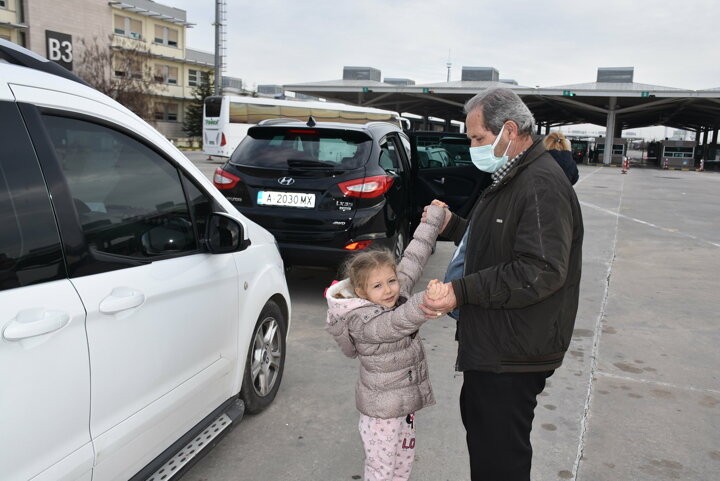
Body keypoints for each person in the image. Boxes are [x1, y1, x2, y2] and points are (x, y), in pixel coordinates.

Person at [421, 87, 584, 481]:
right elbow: (496, 244)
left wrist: (461, 291)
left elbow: (540, 269)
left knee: (499, 462)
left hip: (513, 352)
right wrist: (453, 226)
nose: (473, 146)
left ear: (509, 130)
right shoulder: (512, 175)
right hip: (498, 342)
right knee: (486, 441)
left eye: (478, 138)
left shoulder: (540, 183)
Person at [325, 204, 448, 481]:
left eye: (391, 281)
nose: (390, 289)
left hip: (402, 408)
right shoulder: (364, 322)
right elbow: (397, 322)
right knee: (381, 469)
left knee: (402, 461)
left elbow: (414, 259)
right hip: (382, 415)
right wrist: (427, 301)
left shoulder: (393, 295)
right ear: (361, 292)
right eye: (378, 286)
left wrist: (433, 220)